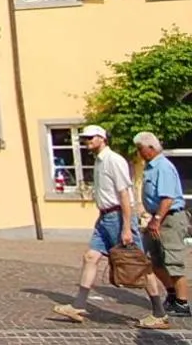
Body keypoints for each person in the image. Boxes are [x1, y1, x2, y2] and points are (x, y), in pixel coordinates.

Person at [52, 124, 169, 328]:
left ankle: (159, 313)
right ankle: (78, 306)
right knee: (90, 257)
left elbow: (124, 194)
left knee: (138, 263)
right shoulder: (99, 160)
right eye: (85, 138)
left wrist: (126, 227)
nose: (87, 141)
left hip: (117, 216)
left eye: (91, 138)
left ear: (102, 138)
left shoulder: (113, 160)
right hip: (105, 217)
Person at [135, 131, 189, 321]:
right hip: (157, 218)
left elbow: (167, 198)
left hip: (169, 218)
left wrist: (157, 219)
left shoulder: (163, 167)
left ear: (151, 148)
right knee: (153, 261)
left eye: (140, 149)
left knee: (173, 261)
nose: (139, 153)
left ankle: (182, 303)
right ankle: (172, 294)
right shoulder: (151, 167)